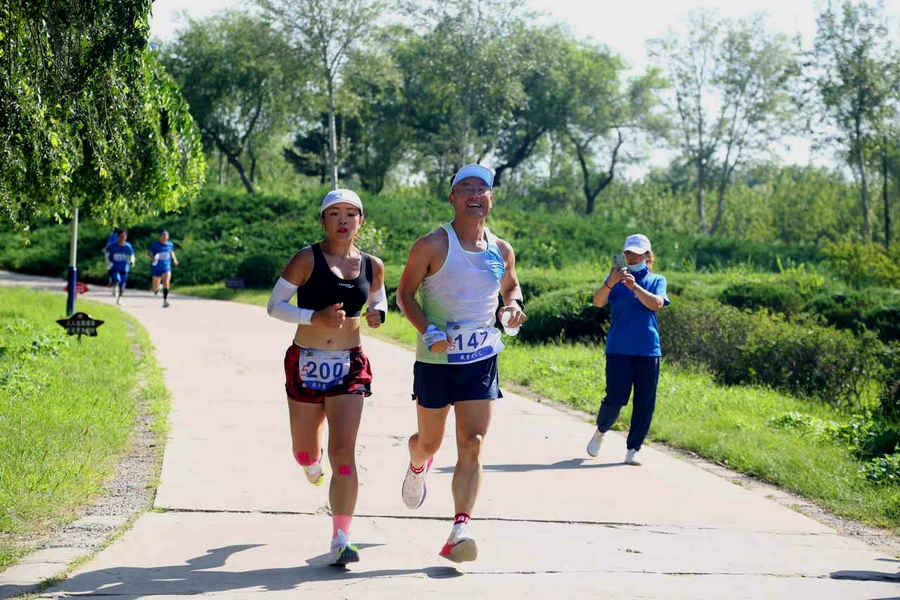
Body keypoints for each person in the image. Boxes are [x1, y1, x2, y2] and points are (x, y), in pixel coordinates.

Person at [396, 163, 526, 563]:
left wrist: (512, 307)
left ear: (490, 199)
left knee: (474, 442)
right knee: (430, 442)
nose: (474, 195)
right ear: (452, 198)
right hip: (436, 360)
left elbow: (511, 286)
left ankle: (460, 528)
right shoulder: (433, 245)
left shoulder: (500, 249)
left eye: (481, 189)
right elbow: (404, 294)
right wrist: (428, 330)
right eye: (466, 188)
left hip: (480, 358)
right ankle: (417, 463)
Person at [265, 189, 387, 566]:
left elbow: (379, 299)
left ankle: (341, 537)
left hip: (350, 364)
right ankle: (310, 462)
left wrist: (378, 314)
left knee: (344, 453)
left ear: (361, 220)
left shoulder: (372, 265)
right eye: (334, 213)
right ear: (323, 220)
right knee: (305, 451)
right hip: (306, 360)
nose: (343, 220)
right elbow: (274, 306)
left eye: (351, 213)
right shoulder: (306, 259)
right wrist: (312, 318)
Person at [586, 233, 670, 465]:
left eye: (637, 254)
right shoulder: (614, 279)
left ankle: (633, 449)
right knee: (615, 397)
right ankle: (601, 431)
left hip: (648, 350)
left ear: (647, 255)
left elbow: (656, 304)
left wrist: (635, 288)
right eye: (629, 253)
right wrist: (611, 282)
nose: (632, 257)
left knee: (644, 402)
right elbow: (598, 302)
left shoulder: (657, 280)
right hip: (618, 349)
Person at [148, 230, 179, 308]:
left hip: (166, 267)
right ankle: (158, 288)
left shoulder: (170, 244)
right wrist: (153, 258)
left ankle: (165, 300)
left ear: (168, 237)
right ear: (160, 237)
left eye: (166, 237)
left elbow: (171, 252)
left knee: (166, 282)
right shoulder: (155, 244)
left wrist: (174, 259)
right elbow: (148, 253)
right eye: (163, 236)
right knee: (155, 289)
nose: (164, 238)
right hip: (156, 267)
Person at [104, 229, 135, 305]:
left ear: (126, 237)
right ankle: (114, 286)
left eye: (124, 236)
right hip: (114, 267)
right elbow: (107, 254)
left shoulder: (128, 246)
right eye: (121, 236)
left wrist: (132, 261)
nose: (122, 238)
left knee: (122, 283)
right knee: (117, 279)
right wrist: (108, 263)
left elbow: (132, 255)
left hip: (124, 267)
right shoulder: (112, 246)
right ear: (118, 237)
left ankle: (119, 298)